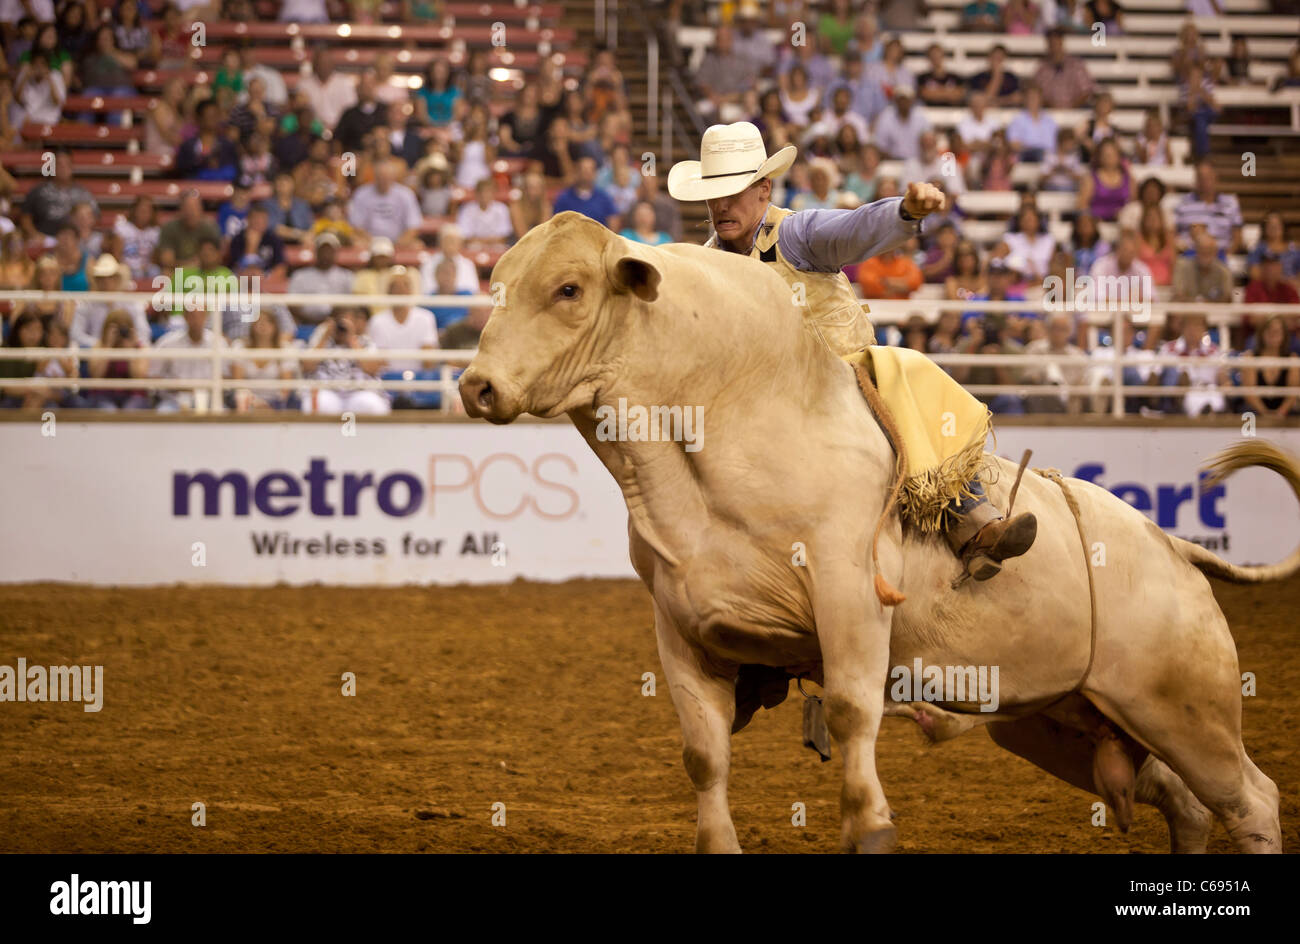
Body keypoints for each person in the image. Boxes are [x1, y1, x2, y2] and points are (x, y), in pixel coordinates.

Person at [667, 121, 1037, 582]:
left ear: (764, 190)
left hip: (842, 379)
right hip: (757, 400)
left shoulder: (796, 234)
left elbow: (853, 228)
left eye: (734, 191)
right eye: (713, 193)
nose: (721, 205)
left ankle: (972, 521)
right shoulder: (704, 267)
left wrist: (903, 212)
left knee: (898, 371)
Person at [1240, 316, 1298, 418]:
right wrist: (1265, 414)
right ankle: (1249, 434)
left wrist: (1281, 413)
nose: (1274, 335)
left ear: (1284, 335)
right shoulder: (1250, 357)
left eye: (1277, 331)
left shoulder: (1292, 359)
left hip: (1284, 412)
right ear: (1262, 334)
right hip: (1255, 410)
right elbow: (1249, 394)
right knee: (1247, 413)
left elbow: (1292, 395)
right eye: (1270, 331)